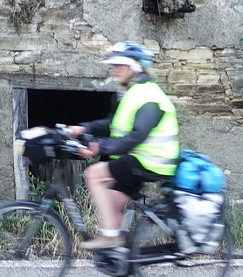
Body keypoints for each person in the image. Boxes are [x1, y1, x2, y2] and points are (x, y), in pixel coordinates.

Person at [68, 41, 180, 250]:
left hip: (151, 162)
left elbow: (136, 136)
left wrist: (99, 147)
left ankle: (111, 236)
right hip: (137, 161)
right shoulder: (131, 92)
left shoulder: (150, 96)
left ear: (136, 66)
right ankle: (122, 256)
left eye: (120, 64)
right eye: (113, 65)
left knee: (93, 174)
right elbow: (113, 124)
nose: (114, 69)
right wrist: (82, 128)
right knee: (112, 204)